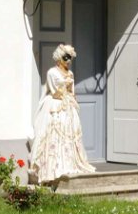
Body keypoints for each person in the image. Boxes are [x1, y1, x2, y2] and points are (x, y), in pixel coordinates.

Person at [31, 43, 96, 184]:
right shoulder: (52, 73)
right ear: (59, 58)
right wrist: (63, 90)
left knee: (71, 133)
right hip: (56, 105)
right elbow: (54, 92)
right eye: (66, 57)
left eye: (70, 57)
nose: (69, 60)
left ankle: (70, 162)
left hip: (69, 106)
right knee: (55, 134)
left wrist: (72, 100)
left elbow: (72, 92)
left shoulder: (70, 73)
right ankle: (53, 168)